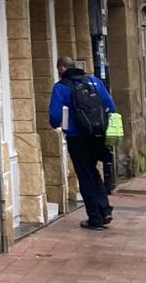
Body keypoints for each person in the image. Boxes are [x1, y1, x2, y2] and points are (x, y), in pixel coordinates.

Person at [48, 56, 117, 231]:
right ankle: (105, 209)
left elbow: (55, 117)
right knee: (93, 171)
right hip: (98, 136)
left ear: (62, 68)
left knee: (85, 175)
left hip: (77, 137)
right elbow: (111, 106)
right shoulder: (94, 81)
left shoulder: (61, 87)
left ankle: (95, 218)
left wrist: (64, 125)